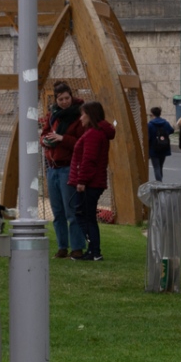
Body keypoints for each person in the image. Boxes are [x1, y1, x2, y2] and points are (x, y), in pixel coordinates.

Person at [40, 81, 86, 258]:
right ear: (56, 99)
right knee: (57, 211)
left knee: (71, 210)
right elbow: (44, 134)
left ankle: (77, 247)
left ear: (71, 96)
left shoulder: (79, 116)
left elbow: (81, 144)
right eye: (61, 99)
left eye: (67, 98)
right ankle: (62, 246)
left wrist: (62, 138)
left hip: (68, 168)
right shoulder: (53, 115)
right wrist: (45, 141)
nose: (64, 102)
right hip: (52, 168)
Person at [68, 100, 114, 262]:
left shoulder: (94, 134)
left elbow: (89, 160)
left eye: (83, 114)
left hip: (90, 183)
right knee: (85, 215)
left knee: (85, 216)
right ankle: (93, 250)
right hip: (93, 182)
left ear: (90, 115)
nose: (81, 118)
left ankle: (94, 250)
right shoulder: (96, 132)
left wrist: (82, 181)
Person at [147, 106, 174, 182]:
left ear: (152, 115)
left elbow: (148, 138)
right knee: (160, 166)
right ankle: (160, 181)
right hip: (164, 147)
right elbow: (171, 130)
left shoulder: (150, 125)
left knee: (156, 167)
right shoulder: (165, 123)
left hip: (154, 148)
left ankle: (159, 183)